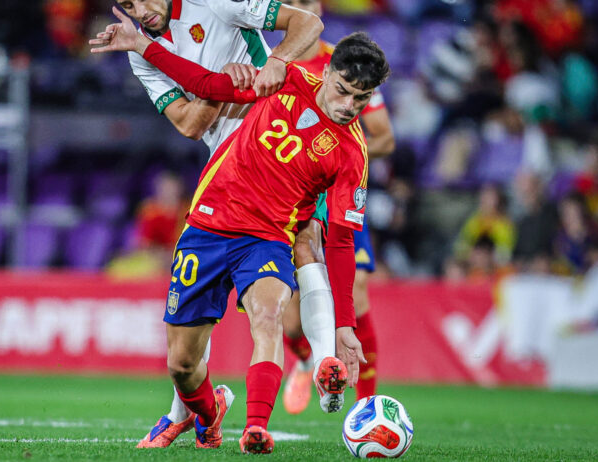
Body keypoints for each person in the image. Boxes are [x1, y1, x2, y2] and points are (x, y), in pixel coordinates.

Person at [93, 12, 389, 452]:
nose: (348, 106)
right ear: (326, 72)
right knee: (181, 364)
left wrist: (348, 326)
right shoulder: (285, 79)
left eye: (361, 100)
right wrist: (143, 46)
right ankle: (209, 414)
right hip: (208, 225)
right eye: (343, 91)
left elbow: (342, 242)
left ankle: (258, 425)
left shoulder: (352, 154)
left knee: (268, 318)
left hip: (266, 239)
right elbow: (211, 88)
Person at [280, 0, 395, 415]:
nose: (301, 12)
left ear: (319, 9)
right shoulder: (281, 62)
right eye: (291, 5)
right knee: (291, 323)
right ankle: (309, 359)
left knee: (357, 293)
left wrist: (341, 158)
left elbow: (383, 138)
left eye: (307, 4)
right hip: (294, 197)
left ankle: (366, 407)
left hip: (340, 193)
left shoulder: (347, 66)